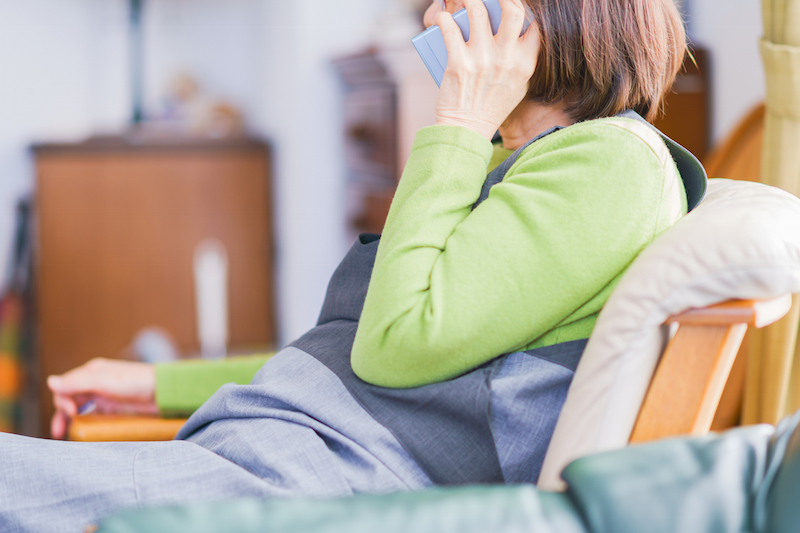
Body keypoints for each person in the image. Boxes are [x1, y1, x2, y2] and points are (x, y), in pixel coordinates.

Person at [2, 0, 696, 531]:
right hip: (277, 443)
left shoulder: (612, 163)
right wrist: (159, 383)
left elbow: (397, 345)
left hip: (318, 483)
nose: (435, 18)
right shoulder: (513, 161)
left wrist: (454, 122)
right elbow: (351, 361)